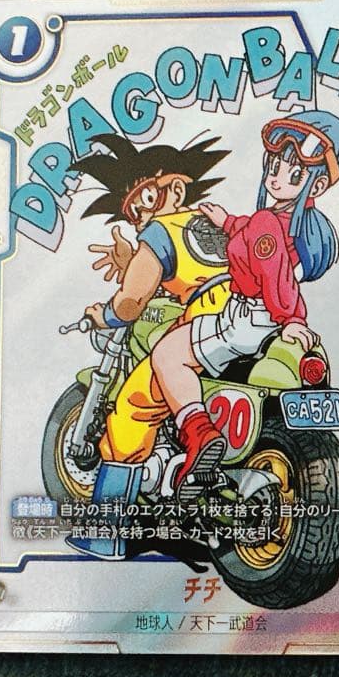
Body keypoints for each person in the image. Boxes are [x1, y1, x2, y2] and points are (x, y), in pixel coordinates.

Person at [149, 111, 339, 490]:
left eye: (294, 173)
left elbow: (275, 272)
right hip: (265, 321)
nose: (277, 177)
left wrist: (292, 318)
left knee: (166, 355)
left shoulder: (266, 225)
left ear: (318, 183)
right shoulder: (293, 222)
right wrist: (227, 222)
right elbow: (261, 238)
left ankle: (198, 434)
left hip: (247, 320)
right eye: (275, 166)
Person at [67, 133, 231, 558]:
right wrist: (135, 264)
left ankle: (103, 535)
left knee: (131, 411)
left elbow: (131, 302)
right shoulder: (217, 222)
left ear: (176, 189)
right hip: (252, 320)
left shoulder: (160, 232)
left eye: (146, 197)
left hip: (205, 320)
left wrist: (105, 314)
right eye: (133, 211)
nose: (141, 214)